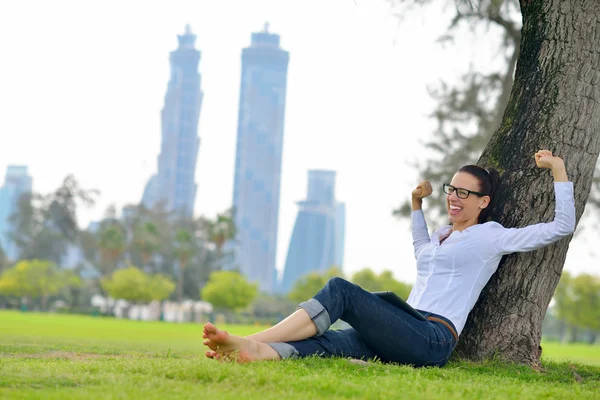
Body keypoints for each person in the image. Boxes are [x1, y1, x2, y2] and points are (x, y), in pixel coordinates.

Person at [203, 150, 575, 366]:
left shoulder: (491, 237)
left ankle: (249, 338)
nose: (454, 198)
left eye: (464, 193)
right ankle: (257, 352)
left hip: (432, 337)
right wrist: (417, 204)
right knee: (333, 342)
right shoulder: (441, 236)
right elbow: (420, 249)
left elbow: (560, 226)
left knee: (341, 291)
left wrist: (557, 169)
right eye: (451, 190)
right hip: (404, 324)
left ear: (484, 202)